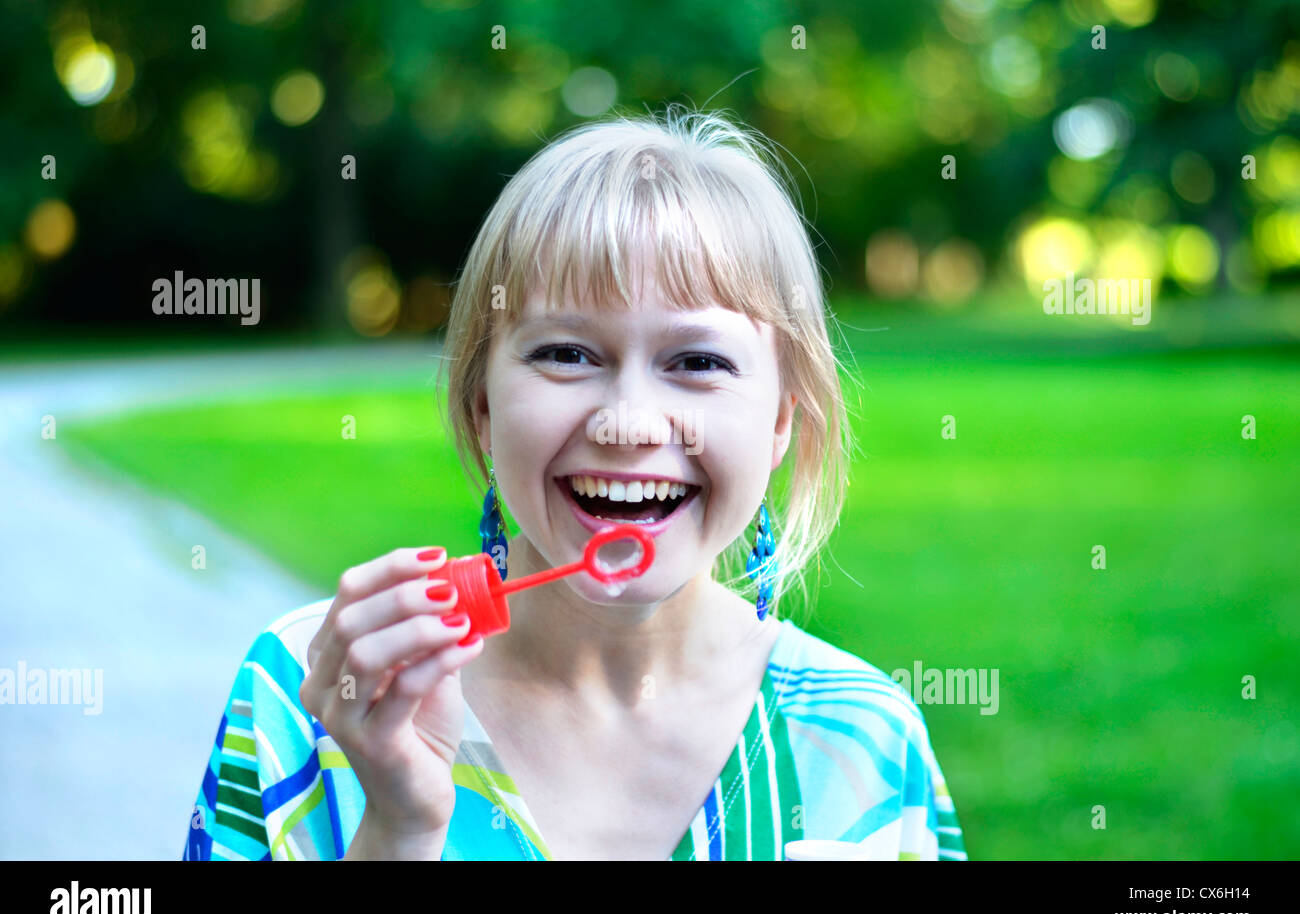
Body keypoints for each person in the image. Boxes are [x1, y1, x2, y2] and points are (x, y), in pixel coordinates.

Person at [183, 106, 968, 861]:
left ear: (778, 426)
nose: (628, 423)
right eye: (566, 353)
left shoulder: (863, 737)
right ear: (482, 406)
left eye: (697, 362)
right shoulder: (308, 692)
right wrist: (397, 831)